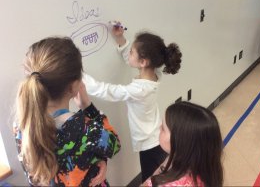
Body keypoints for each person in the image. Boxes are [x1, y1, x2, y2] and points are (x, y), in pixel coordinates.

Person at [13, 37, 121, 186]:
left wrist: (97, 159)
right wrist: (88, 107)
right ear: (74, 87)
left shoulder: (22, 124)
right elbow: (114, 144)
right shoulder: (84, 127)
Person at [83, 23, 182, 183]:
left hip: (149, 143)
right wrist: (121, 40)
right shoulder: (153, 74)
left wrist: (80, 76)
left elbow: (106, 91)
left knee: (151, 180)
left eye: (131, 52)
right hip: (153, 136)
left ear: (143, 62)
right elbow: (131, 61)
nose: (128, 55)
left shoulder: (139, 89)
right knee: (159, 176)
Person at [142, 101, 223, 187]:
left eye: (163, 128)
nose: (159, 127)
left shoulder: (167, 184)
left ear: (180, 142)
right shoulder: (205, 165)